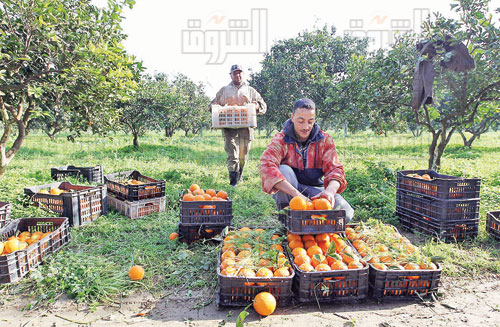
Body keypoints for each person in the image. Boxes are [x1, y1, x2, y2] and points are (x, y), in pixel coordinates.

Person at [259, 98, 354, 222]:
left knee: (346, 214)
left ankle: (312, 222)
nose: (306, 127)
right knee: (283, 170)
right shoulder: (281, 140)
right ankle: (286, 215)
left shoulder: (324, 140)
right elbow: (266, 165)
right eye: (301, 121)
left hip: (315, 191)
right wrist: (297, 195)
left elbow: (335, 170)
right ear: (292, 117)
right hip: (290, 191)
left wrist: (329, 192)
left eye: (310, 121)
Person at [211, 64, 267, 186]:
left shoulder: (250, 90)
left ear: (243, 74)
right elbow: (212, 105)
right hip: (229, 128)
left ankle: (239, 175)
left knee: (243, 155)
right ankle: (233, 182)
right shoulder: (224, 90)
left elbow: (263, 106)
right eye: (235, 73)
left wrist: (256, 106)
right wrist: (214, 106)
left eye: (239, 72)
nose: (238, 75)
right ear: (230, 75)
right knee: (232, 155)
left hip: (245, 128)